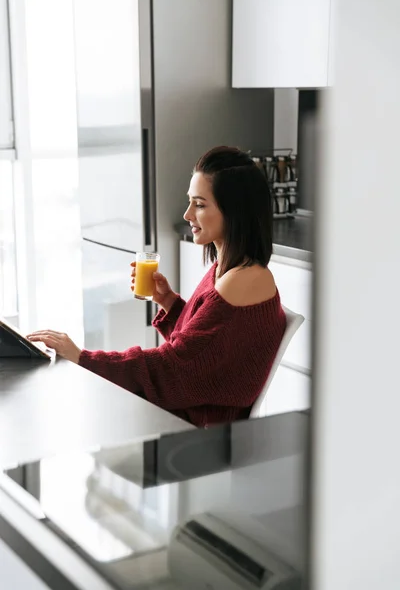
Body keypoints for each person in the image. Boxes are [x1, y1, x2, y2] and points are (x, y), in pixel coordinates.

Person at [27, 146, 286, 427]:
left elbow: (172, 369)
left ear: (234, 211)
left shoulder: (244, 280)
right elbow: (205, 354)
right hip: (183, 416)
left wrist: (83, 358)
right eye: (190, 202)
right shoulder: (229, 269)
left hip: (198, 435)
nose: (187, 215)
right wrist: (169, 303)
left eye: (199, 204)